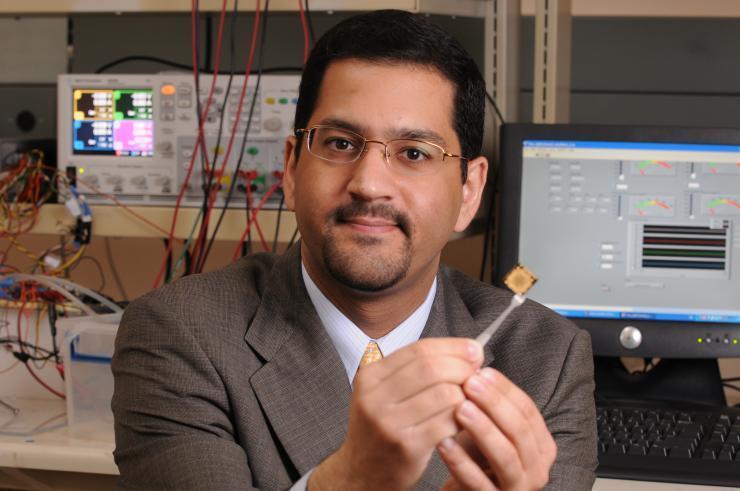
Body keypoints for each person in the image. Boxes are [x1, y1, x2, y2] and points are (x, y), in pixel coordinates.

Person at [112, 9, 597, 490]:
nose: (369, 184)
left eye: (413, 153)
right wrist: (352, 479)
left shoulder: (545, 360)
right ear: (293, 170)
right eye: (341, 143)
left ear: (469, 190)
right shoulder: (180, 333)